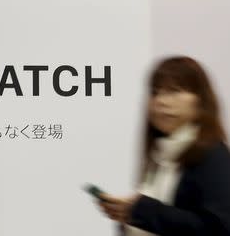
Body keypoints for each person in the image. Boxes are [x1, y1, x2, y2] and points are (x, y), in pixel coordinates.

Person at [97, 56, 230, 236]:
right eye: (156, 92)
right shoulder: (161, 155)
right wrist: (127, 216)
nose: (161, 101)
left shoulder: (212, 155)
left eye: (174, 91)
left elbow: (218, 228)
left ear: (200, 100)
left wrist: (141, 211)